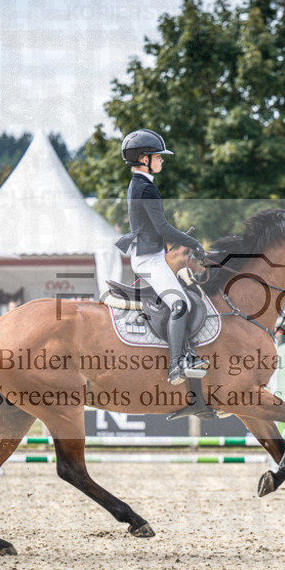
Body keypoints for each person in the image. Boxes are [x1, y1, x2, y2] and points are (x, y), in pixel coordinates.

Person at [114, 128, 208, 386]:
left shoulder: (140, 185)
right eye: (158, 156)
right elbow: (163, 228)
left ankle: (186, 354)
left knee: (181, 299)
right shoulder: (146, 189)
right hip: (149, 259)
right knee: (180, 304)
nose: (162, 160)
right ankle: (176, 365)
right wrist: (193, 243)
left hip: (150, 255)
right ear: (144, 159)